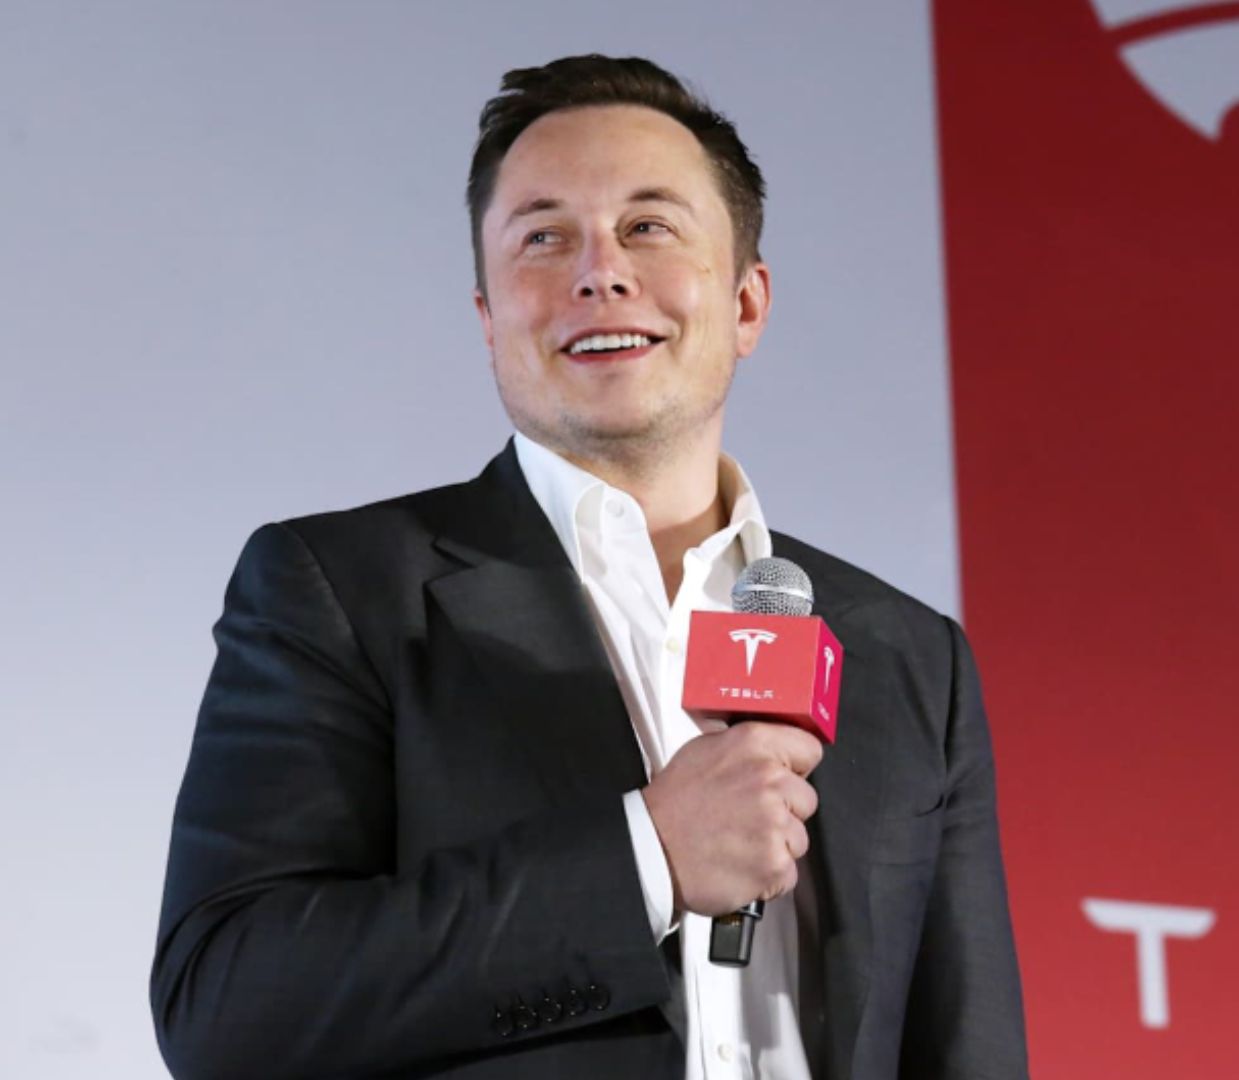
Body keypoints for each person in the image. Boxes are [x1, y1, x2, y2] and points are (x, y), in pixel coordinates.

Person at [150, 54, 1026, 1080]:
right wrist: (647, 853)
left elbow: (965, 1046)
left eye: (649, 226)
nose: (598, 272)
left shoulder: (914, 657)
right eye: (543, 236)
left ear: (746, 304)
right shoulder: (340, 589)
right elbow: (228, 1005)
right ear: (489, 322)